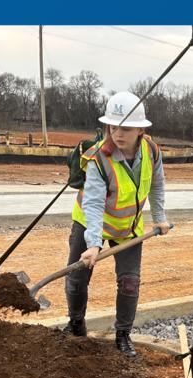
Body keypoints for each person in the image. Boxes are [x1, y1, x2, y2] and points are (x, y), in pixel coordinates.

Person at [63, 91, 170, 357]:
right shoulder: (99, 157)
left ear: (140, 130)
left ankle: (123, 335)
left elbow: (156, 185)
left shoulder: (152, 152)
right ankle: (76, 325)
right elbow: (94, 203)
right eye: (113, 127)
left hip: (127, 228)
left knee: (130, 282)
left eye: (125, 128)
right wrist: (94, 243)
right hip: (90, 223)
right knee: (77, 277)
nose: (118, 134)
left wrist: (159, 217)